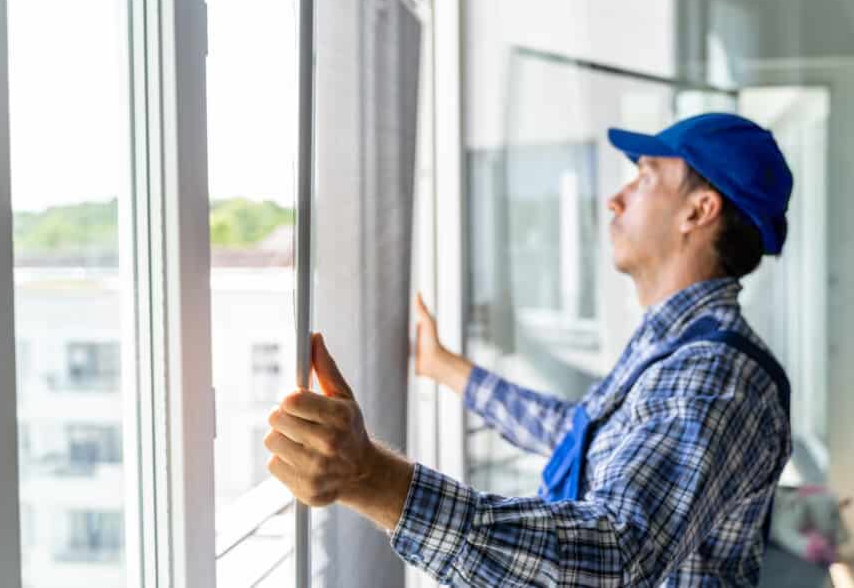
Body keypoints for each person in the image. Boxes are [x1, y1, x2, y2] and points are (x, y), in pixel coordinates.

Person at [264, 112, 794, 586]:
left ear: (698, 211)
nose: (616, 197)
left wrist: (373, 479)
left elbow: (615, 558)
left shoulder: (716, 374)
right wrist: (446, 369)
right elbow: (581, 438)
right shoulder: (673, 346)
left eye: (645, 177)